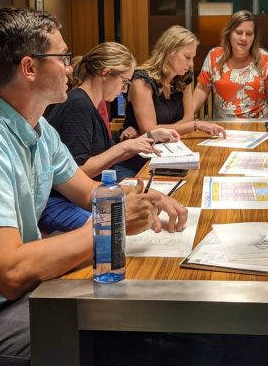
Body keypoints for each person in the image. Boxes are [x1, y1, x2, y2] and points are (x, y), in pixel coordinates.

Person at [0, 7, 187, 366]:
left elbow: (88, 191)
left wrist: (138, 199)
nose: (70, 66)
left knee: (140, 317)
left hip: (24, 292)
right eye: (63, 57)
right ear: (29, 68)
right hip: (2, 308)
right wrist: (111, 221)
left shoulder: (40, 130)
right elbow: (11, 272)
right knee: (120, 336)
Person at [40, 42, 180, 233]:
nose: (124, 90)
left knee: (140, 218)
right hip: (60, 202)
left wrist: (145, 138)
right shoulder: (78, 105)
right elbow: (79, 171)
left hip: (80, 195)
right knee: (119, 231)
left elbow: (102, 155)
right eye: (124, 82)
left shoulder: (90, 104)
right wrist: (125, 147)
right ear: (106, 74)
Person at [120, 25, 225, 177]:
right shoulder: (142, 81)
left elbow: (187, 118)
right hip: (140, 157)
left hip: (171, 150)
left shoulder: (184, 79)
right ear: (170, 52)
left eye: (193, 58)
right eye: (187, 57)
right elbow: (149, 130)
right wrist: (194, 125)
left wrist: (172, 131)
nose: (191, 64)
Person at [193, 10, 268, 120]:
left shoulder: (264, 58)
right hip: (223, 128)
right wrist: (187, 116)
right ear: (229, 34)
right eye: (239, 32)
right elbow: (202, 89)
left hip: (257, 128)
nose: (243, 38)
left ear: (254, 37)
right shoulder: (214, 55)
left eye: (249, 34)